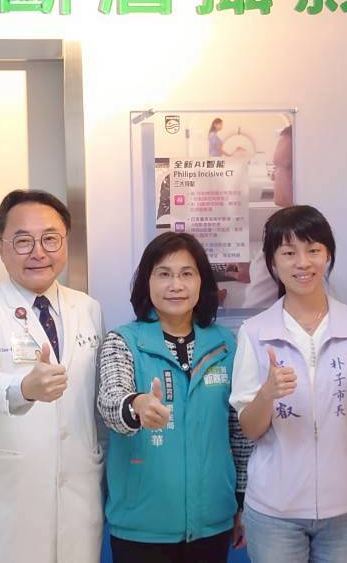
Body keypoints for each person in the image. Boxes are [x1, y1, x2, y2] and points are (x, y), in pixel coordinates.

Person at [230, 205, 347, 563]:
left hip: (346, 507)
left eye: (313, 250)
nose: (303, 263)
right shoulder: (255, 332)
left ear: (327, 254)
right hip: (274, 510)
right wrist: (267, 394)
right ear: (273, 263)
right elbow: (250, 429)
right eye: (289, 253)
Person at [0, 189, 104, 563]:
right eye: (23, 241)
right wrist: (24, 388)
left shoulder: (88, 308)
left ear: (65, 242)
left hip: (79, 491)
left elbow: (94, 401)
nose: (38, 252)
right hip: (12, 495)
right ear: (2, 248)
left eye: (50, 239)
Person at [98, 231, 251, 562]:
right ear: (147, 282)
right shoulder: (123, 341)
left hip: (213, 519)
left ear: (201, 282)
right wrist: (136, 405)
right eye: (164, 274)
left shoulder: (226, 343)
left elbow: (238, 432)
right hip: (141, 525)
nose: (176, 285)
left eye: (186, 273)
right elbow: (111, 402)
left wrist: (241, 499)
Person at [240, 125, 294, 308]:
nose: (272, 177)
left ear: (297, 171)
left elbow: (253, 314)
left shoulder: (284, 240)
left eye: (277, 166)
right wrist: (254, 272)